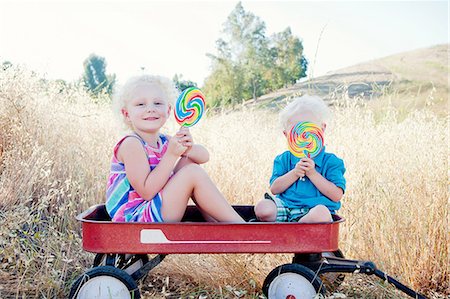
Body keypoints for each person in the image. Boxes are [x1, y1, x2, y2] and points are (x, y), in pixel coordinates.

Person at [105, 74, 244, 223]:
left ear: (168, 110)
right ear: (126, 114)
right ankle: (240, 228)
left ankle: (219, 226)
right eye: (141, 104)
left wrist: (188, 148)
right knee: (191, 173)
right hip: (136, 218)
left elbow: (204, 157)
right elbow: (146, 191)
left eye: (158, 103)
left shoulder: (165, 141)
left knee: (188, 164)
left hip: (154, 210)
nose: (151, 109)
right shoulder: (131, 144)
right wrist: (171, 155)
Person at [254, 95, 346, 223]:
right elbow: (274, 189)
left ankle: (299, 226)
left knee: (322, 213)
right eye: (297, 131)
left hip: (313, 212)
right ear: (286, 135)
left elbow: (336, 196)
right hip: (285, 207)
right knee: (262, 208)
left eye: (308, 128)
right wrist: (295, 173)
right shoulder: (283, 159)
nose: (304, 136)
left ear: (322, 129)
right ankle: (292, 224)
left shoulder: (332, 162)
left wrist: (312, 173)